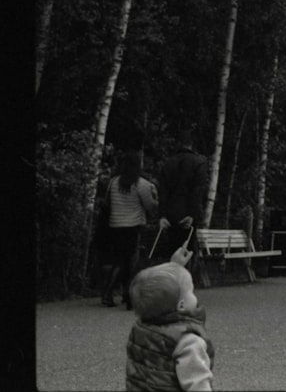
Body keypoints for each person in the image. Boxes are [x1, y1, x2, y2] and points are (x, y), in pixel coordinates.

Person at [126, 246, 214, 391]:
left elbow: (162, 288)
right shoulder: (187, 340)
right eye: (191, 291)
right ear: (181, 305)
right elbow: (197, 382)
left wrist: (176, 266)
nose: (194, 295)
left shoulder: (142, 328)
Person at [101, 149, 159, 309]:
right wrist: (155, 195)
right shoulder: (141, 184)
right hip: (132, 226)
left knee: (120, 259)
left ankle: (122, 294)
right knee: (127, 261)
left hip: (115, 225)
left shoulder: (114, 182)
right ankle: (110, 292)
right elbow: (150, 206)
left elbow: (107, 202)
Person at [157, 129, 209, 264]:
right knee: (188, 251)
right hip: (188, 214)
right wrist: (193, 214)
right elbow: (198, 191)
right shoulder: (199, 162)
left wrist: (162, 215)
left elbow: (162, 191)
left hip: (170, 215)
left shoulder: (168, 163)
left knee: (172, 250)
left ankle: (171, 280)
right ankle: (185, 281)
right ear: (192, 144)